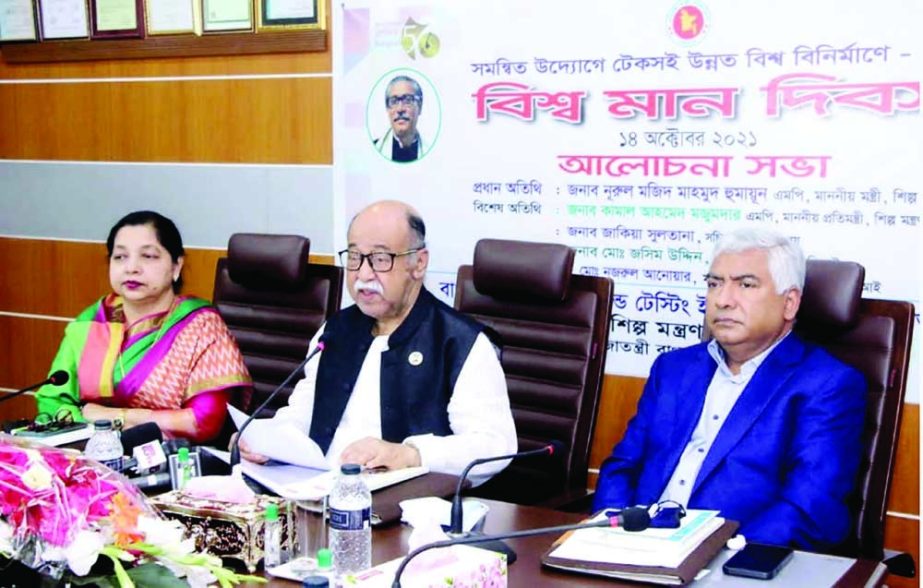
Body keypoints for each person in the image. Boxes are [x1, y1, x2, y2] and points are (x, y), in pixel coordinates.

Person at [593, 227, 866, 550]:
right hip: (636, 550)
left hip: (731, 559)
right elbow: (621, 468)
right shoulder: (674, 369)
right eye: (714, 284)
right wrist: (609, 534)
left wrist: (720, 554)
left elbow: (809, 508)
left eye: (746, 285)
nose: (723, 300)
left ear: (789, 303)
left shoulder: (826, 385)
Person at [239, 200, 517, 484]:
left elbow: (494, 445)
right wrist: (270, 440)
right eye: (355, 257)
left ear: (418, 264)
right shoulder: (335, 331)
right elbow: (303, 411)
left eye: (381, 259)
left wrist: (411, 453)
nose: (363, 274)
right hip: (318, 491)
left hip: (409, 508)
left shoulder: (460, 342)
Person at [35, 211, 252, 444]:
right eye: (120, 257)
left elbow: (203, 421)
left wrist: (111, 417)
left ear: (177, 266)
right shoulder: (91, 321)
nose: (132, 268)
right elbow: (52, 400)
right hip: (90, 451)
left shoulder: (201, 327)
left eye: (148, 256)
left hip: (170, 461)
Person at [373, 76, 425, 162]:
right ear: (387, 108)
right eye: (394, 101)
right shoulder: (374, 148)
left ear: (419, 106)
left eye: (408, 100)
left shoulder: (433, 151)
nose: (400, 109)